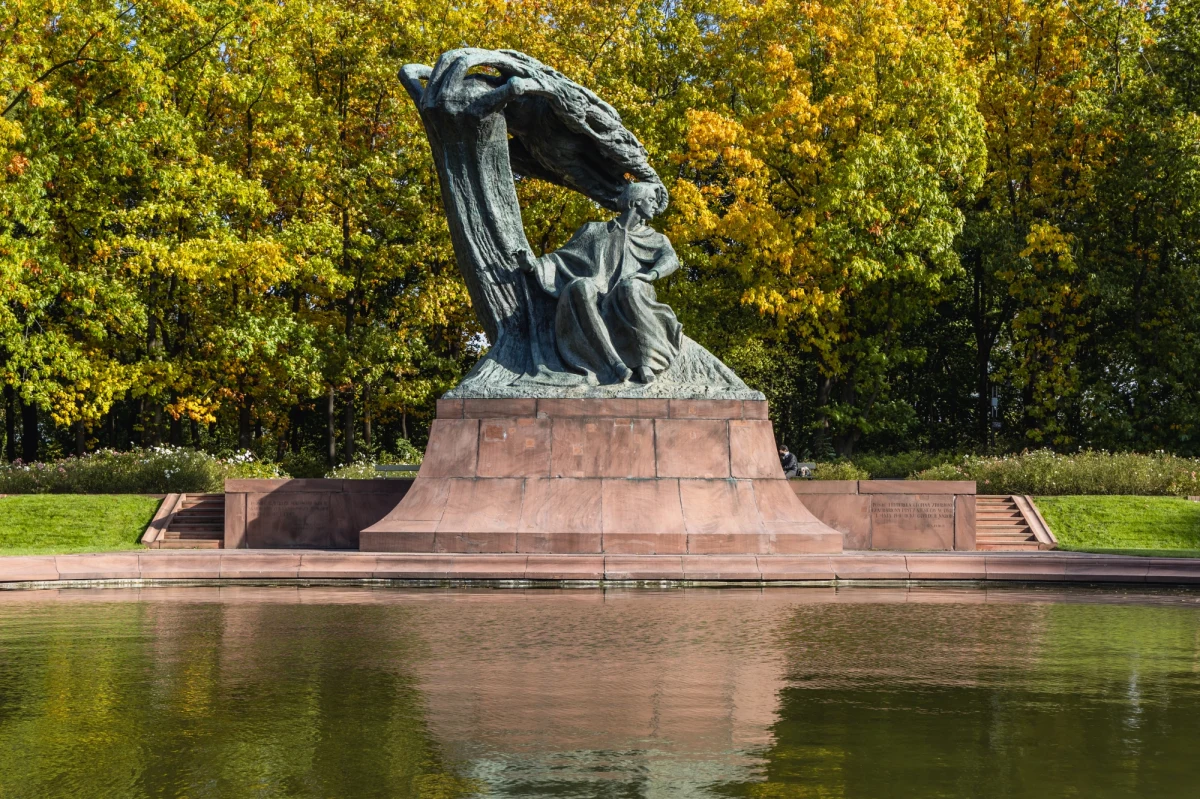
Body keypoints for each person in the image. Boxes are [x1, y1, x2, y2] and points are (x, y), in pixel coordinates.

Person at [514, 182, 683, 385]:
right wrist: (532, 265)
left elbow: (671, 259)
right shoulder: (595, 231)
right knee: (580, 287)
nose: (655, 206)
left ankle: (645, 361)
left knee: (628, 288)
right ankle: (612, 364)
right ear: (636, 201)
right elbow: (560, 259)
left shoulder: (655, 238)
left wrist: (651, 275)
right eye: (651, 200)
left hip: (637, 288)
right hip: (600, 289)